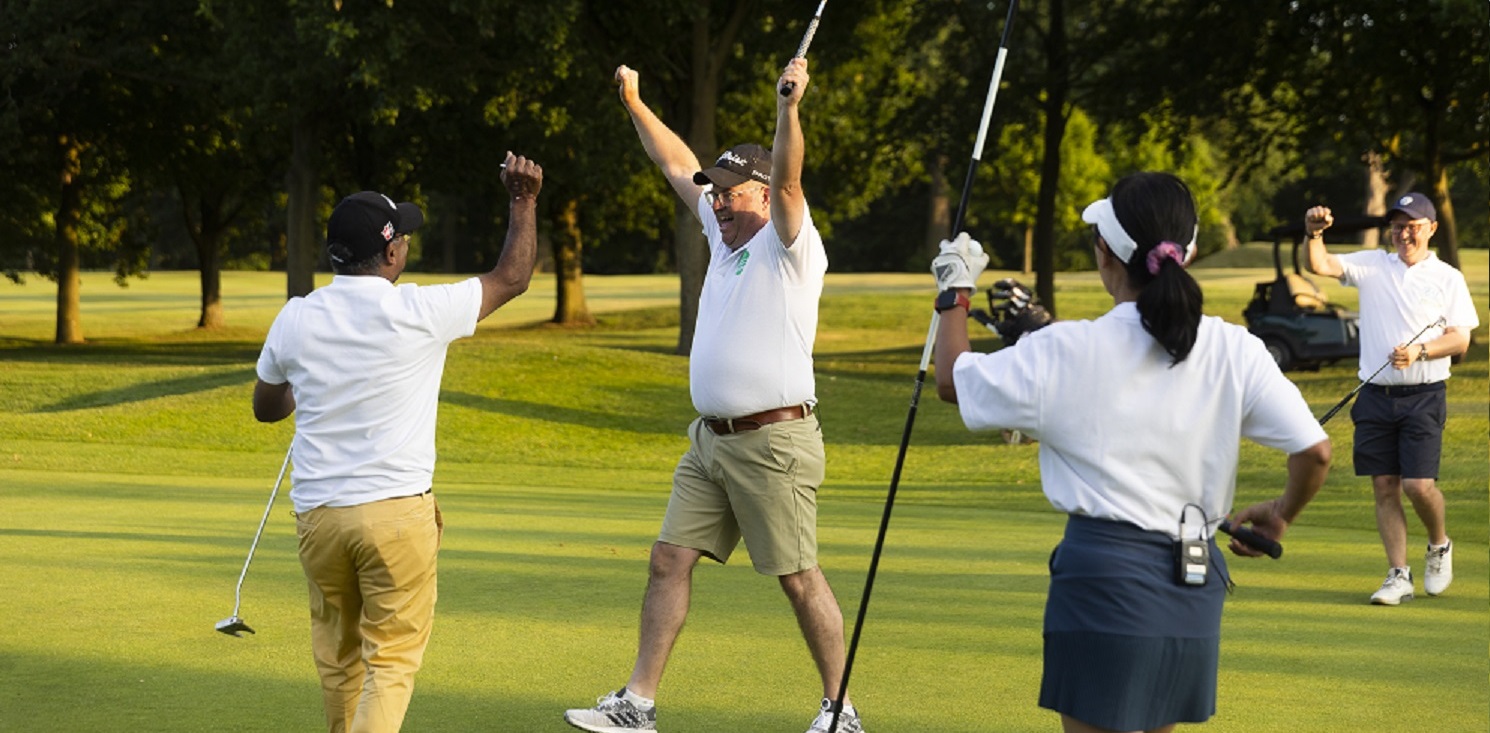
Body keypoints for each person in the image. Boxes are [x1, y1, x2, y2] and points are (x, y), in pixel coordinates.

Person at [931, 172, 1333, 733]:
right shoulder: (1235, 348)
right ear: (1188, 253)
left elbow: (951, 380)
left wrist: (954, 291)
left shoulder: (1067, 349)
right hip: (1192, 592)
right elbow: (1314, 452)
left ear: (1106, 254)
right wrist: (1282, 513)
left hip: (1102, 583)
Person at [563, 59, 863, 733]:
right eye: (716, 193)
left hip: (773, 441)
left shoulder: (790, 244)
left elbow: (788, 175)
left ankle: (840, 711)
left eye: (731, 192)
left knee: (798, 576)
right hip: (710, 441)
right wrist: (635, 102)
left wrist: (789, 107)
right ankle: (637, 704)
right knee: (669, 558)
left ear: (761, 196)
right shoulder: (723, 239)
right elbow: (677, 163)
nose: (718, 201)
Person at [252, 152, 543, 733]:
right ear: (390, 254)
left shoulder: (295, 317)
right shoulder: (418, 309)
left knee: (339, 660)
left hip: (320, 517)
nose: (406, 246)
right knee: (390, 661)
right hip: (395, 515)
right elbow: (512, 278)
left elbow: (267, 406)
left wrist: (305, 392)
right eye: (402, 238)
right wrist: (523, 201)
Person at [1303, 193, 1479, 605]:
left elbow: (1460, 338)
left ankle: (1439, 544)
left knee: (1418, 486)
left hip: (1424, 395)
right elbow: (1321, 264)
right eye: (1398, 227)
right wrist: (1313, 233)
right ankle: (1398, 575)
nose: (1404, 234)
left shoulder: (1447, 277)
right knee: (1385, 486)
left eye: (1413, 227)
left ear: (1431, 229)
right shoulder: (1373, 265)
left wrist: (1420, 351)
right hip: (1375, 396)